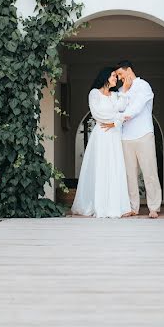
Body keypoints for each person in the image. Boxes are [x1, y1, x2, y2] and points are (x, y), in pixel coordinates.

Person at [70, 67, 131, 218]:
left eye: (116, 77)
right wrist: (116, 118)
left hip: (114, 135)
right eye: (112, 76)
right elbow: (98, 113)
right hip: (101, 135)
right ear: (105, 77)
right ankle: (99, 204)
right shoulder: (94, 94)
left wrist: (115, 122)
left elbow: (123, 110)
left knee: (115, 166)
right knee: (101, 166)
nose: (115, 79)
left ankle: (117, 206)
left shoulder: (117, 95)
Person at [104, 60, 162, 219]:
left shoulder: (143, 86)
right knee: (129, 174)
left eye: (121, 74)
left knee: (149, 172)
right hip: (125, 137)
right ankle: (132, 207)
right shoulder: (123, 90)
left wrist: (119, 118)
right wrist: (125, 92)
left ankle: (154, 207)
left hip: (143, 134)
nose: (120, 78)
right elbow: (118, 108)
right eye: (117, 76)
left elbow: (135, 109)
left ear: (128, 70)